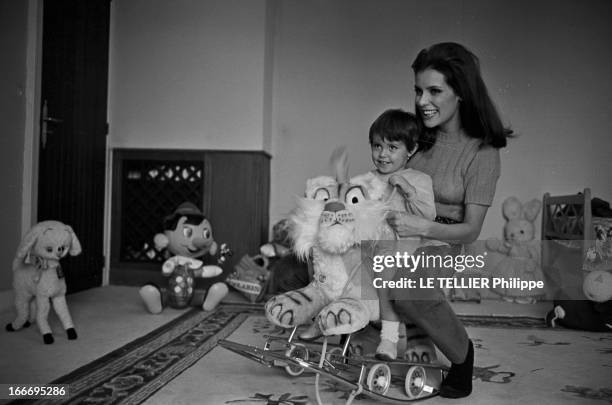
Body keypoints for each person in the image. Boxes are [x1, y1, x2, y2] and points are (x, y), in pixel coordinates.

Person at [386, 42, 512, 398]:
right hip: (403, 232)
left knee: (406, 288)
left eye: (434, 91)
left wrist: (422, 228)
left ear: (461, 94)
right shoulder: (417, 138)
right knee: (355, 269)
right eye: (418, 90)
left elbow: (471, 229)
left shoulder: (483, 152)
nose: (422, 100)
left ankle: (463, 356)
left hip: (446, 239)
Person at [365, 109, 439, 361]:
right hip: (371, 248)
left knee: (385, 275)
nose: (382, 154)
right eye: (377, 146)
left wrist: (408, 191)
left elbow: (428, 215)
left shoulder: (419, 179)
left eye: (392, 147)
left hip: (404, 254)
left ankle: (389, 338)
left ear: (411, 149)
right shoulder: (367, 179)